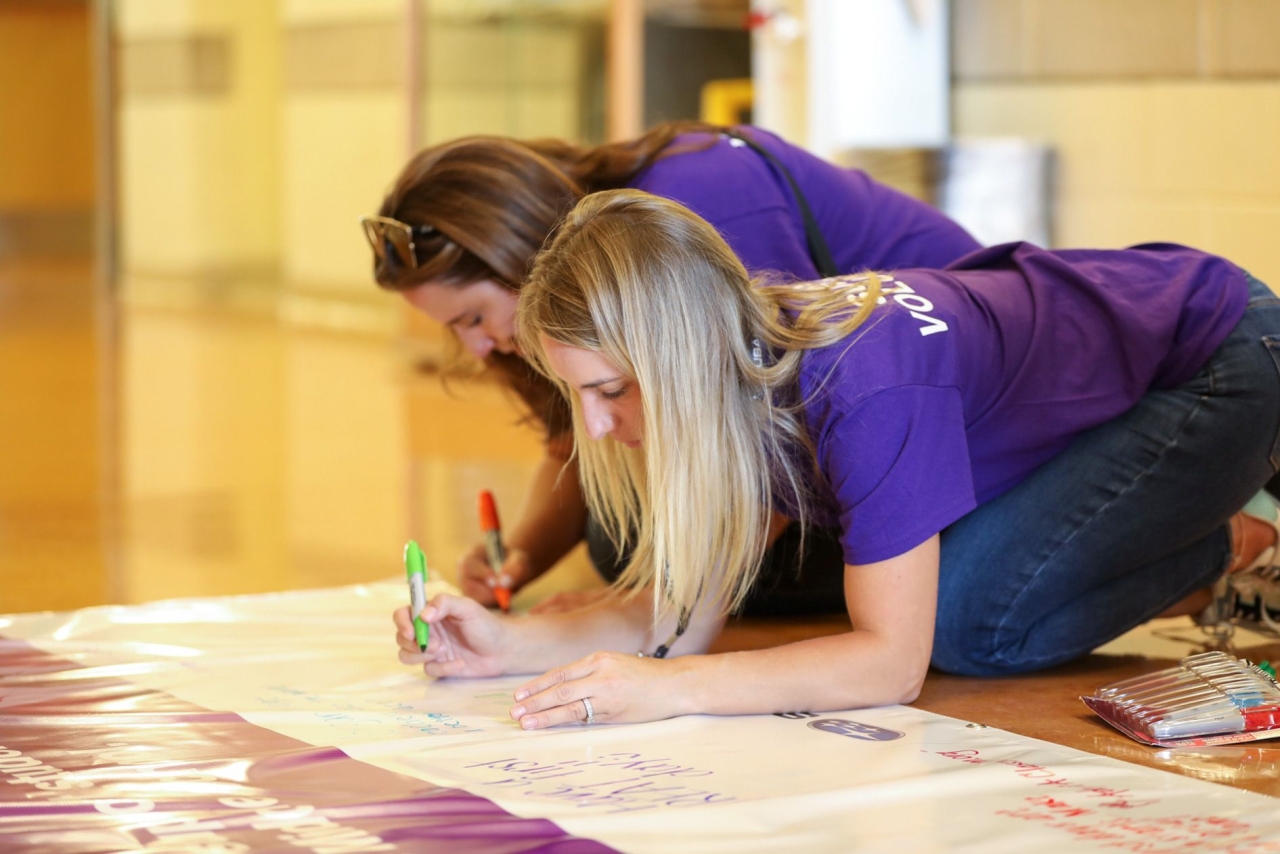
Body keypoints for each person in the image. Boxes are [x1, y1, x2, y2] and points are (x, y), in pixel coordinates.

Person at [393, 188, 1280, 729]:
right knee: (956, 595)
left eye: (610, 390)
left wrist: (675, 692)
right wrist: (507, 642)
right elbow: (680, 618)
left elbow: (890, 667)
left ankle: (1230, 545)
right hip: (1121, 371)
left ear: (680, 360)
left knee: (972, 623)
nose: (592, 431)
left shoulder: (861, 384)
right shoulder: (739, 361)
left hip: (1224, 355)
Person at [364, 123, 981, 615]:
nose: (476, 347)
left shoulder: (694, 197)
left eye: (473, 318)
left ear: (516, 256)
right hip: (829, 433)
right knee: (622, 532)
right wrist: (519, 555)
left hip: (938, 422)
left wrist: (649, 619)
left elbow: (775, 411)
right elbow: (574, 443)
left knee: (649, 546)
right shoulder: (577, 274)